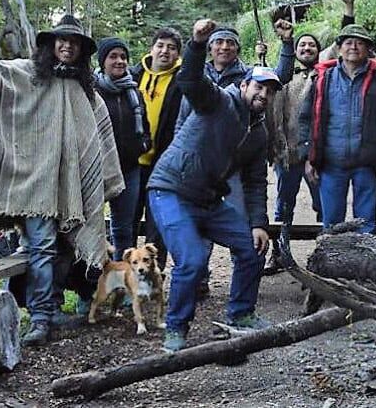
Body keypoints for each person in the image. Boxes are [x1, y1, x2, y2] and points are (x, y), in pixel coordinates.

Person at [0, 14, 123, 346]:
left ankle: (55, 308)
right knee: (40, 249)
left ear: (82, 51)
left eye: (74, 42)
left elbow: (99, 142)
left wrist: (100, 185)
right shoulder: (28, 74)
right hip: (37, 187)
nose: (67, 45)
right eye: (61, 40)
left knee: (66, 250)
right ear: (51, 44)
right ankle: (41, 319)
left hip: (72, 190)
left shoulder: (88, 92)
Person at [147, 18, 280, 352]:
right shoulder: (218, 100)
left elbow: (254, 181)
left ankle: (241, 314)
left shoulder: (259, 132)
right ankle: (176, 328)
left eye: (270, 91)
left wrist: (259, 223)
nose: (263, 94)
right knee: (192, 261)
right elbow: (190, 80)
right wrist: (194, 44)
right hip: (171, 190)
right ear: (245, 84)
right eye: (258, 86)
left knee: (251, 249)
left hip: (208, 200)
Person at [298, 25, 376, 232]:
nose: (353, 47)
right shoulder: (323, 79)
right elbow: (306, 118)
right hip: (331, 163)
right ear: (339, 48)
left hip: (367, 163)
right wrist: (308, 156)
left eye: (360, 43)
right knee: (332, 224)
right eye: (348, 42)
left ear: (368, 49)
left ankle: (363, 262)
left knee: (365, 224)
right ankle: (331, 263)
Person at [268, 0, 357, 224]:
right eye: (302, 45)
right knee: (284, 204)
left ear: (318, 51)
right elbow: (281, 69)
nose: (307, 48)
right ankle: (281, 251)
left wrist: (348, 9)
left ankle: (327, 250)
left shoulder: (325, 71)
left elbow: (342, 43)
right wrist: (286, 40)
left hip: (317, 152)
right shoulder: (285, 74)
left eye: (311, 45)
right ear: (295, 51)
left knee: (324, 203)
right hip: (288, 151)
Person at [131, 27, 185, 271]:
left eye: (171, 47)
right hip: (132, 162)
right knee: (127, 221)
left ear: (178, 54)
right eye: (161, 45)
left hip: (163, 165)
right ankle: (124, 277)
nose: (165, 51)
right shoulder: (133, 75)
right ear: (151, 48)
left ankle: (154, 276)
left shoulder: (183, 80)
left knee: (158, 225)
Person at [95, 37, 152, 261]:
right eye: (113, 57)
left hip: (129, 168)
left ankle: (123, 281)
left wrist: (142, 145)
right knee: (92, 228)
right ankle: (93, 284)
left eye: (123, 57)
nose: (119, 61)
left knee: (124, 230)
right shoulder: (92, 90)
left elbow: (145, 126)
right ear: (103, 61)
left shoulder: (134, 93)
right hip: (96, 171)